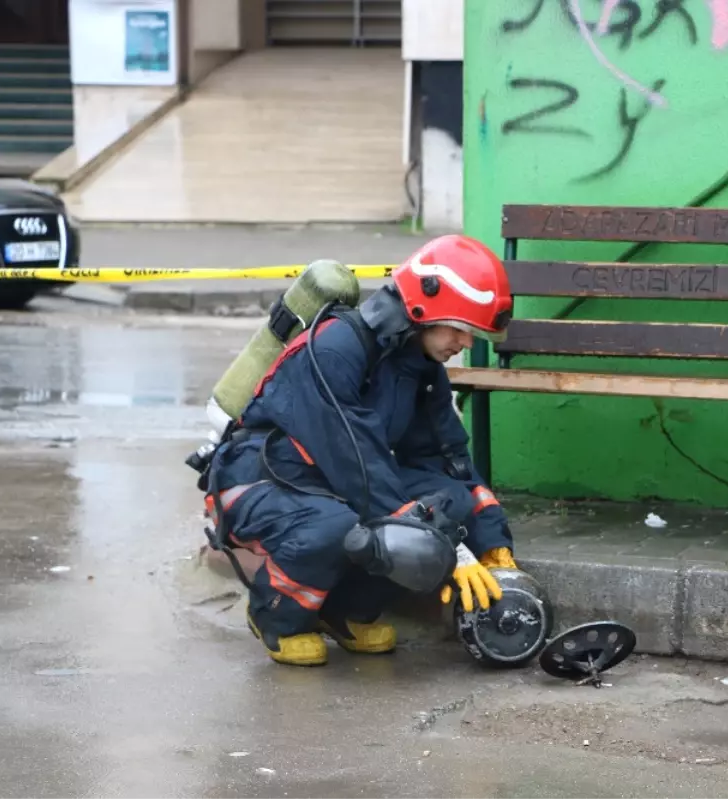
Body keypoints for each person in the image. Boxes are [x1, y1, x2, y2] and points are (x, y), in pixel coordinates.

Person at [202, 234, 518, 666]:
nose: (465, 343)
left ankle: (344, 613)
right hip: (254, 479)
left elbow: (448, 460)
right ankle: (277, 616)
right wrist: (449, 547)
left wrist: (489, 541)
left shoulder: (422, 369)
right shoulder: (333, 350)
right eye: (462, 330)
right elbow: (358, 464)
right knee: (343, 525)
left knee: (450, 504)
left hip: (328, 481)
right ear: (425, 310)